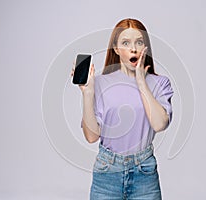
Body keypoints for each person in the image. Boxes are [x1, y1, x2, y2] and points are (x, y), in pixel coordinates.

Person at [73, 18, 174, 200]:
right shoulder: (100, 83)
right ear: (116, 49)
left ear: (145, 47)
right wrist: (88, 93)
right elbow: (91, 136)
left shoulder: (160, 83)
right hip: (107, 172)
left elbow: (159, 124)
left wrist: (141, 82)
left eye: (139, 42)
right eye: (126, 43)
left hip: (145, 172)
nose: (133, 48)